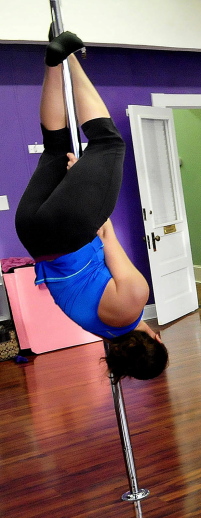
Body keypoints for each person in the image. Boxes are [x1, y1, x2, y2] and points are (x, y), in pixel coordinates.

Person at [15, 32, 167, 383]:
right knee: (54, 147)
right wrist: (77, 189)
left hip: (71, 228)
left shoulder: (134, 298)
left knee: (108, 143)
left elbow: (106, 232)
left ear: (156, 337)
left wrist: (80, 185)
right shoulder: (97, 326)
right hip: (33, 235)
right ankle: (54, 64)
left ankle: (69, 59)